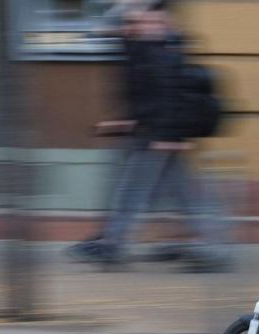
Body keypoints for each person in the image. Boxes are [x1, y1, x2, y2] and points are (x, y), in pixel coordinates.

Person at [67, 0, 229, 271]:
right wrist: (124, 122)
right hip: (152, 132)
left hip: (158, 135)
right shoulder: (143, 48)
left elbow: (167, 97)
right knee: (184, 194)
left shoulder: (162, 51)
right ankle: (211, 246)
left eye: (139, 20)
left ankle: (113, 244)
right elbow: (142, 92)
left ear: (160, 21)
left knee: (133, 192)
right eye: (132, 22)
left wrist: (167, 136)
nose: (131, 25)